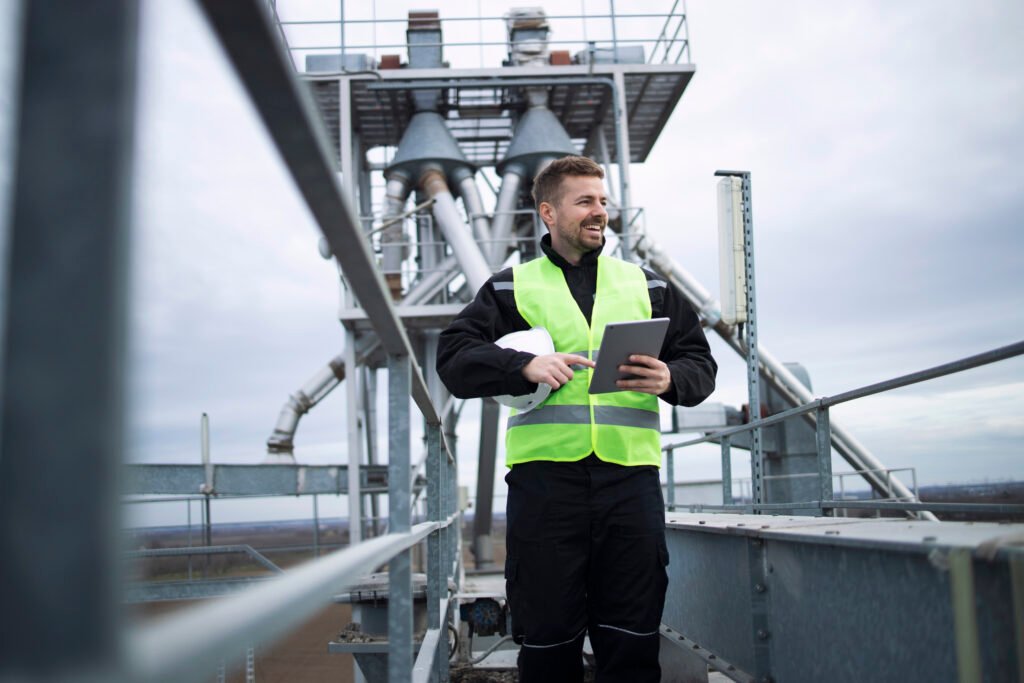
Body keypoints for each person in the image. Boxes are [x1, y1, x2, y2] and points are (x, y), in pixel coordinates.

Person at [436, 155, 717, 682]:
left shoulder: (647, 285)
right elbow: (453, 359)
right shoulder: (510, 287)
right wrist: (524, 365)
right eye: (584, 201)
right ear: (548, 211)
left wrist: (670, 379)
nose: (599, 212)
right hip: (546, 489)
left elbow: (701, 363)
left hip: (629, 485)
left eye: (603, 202)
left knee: (632, 640)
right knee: (548, 643)